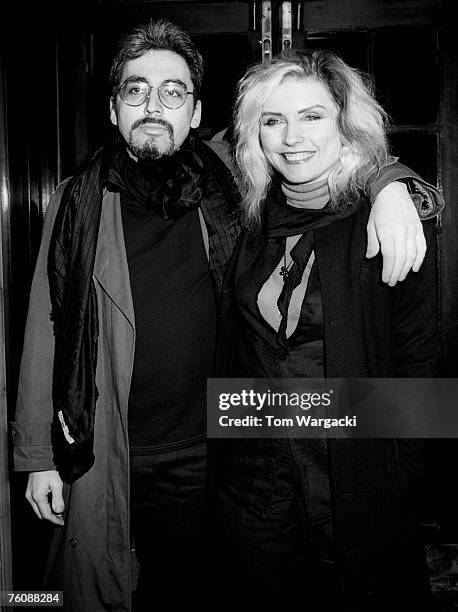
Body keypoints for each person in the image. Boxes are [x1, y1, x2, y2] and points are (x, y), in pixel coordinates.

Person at [11, 19, 442, 612]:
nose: (154, 104)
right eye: (136, 90)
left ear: (195, 112)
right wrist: (38, 457)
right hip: (126, 448)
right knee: (80, 592)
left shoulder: (238, 189)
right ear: (113, 109)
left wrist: (390, 181)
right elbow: (46, 330)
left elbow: (422, 384)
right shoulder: (88, 201)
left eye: (174, 91)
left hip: (231, 454)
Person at [214, 49, 442, 611]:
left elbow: (421, 366)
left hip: (353, 479)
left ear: (345, 125)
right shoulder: (247, 220)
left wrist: (395, 477)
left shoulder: (388, 223)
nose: (292, 137)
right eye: (273, 120)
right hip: (256, 484)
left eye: (312, 116)